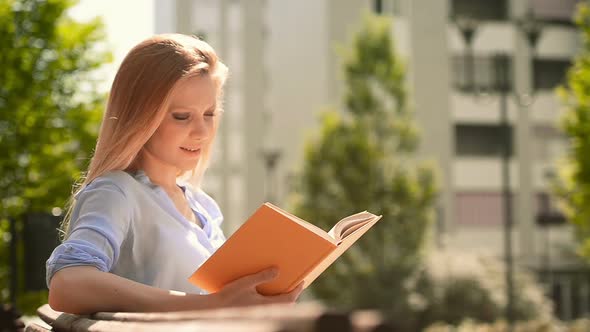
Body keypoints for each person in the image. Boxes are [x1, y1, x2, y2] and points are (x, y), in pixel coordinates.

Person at [46, 34, 303, 315]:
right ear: (141, 116)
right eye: (182, 116)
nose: (202, 132)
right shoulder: (116, 192)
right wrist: (210, 305)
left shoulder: (203, 206)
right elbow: (67, 284)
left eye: (209, 114)